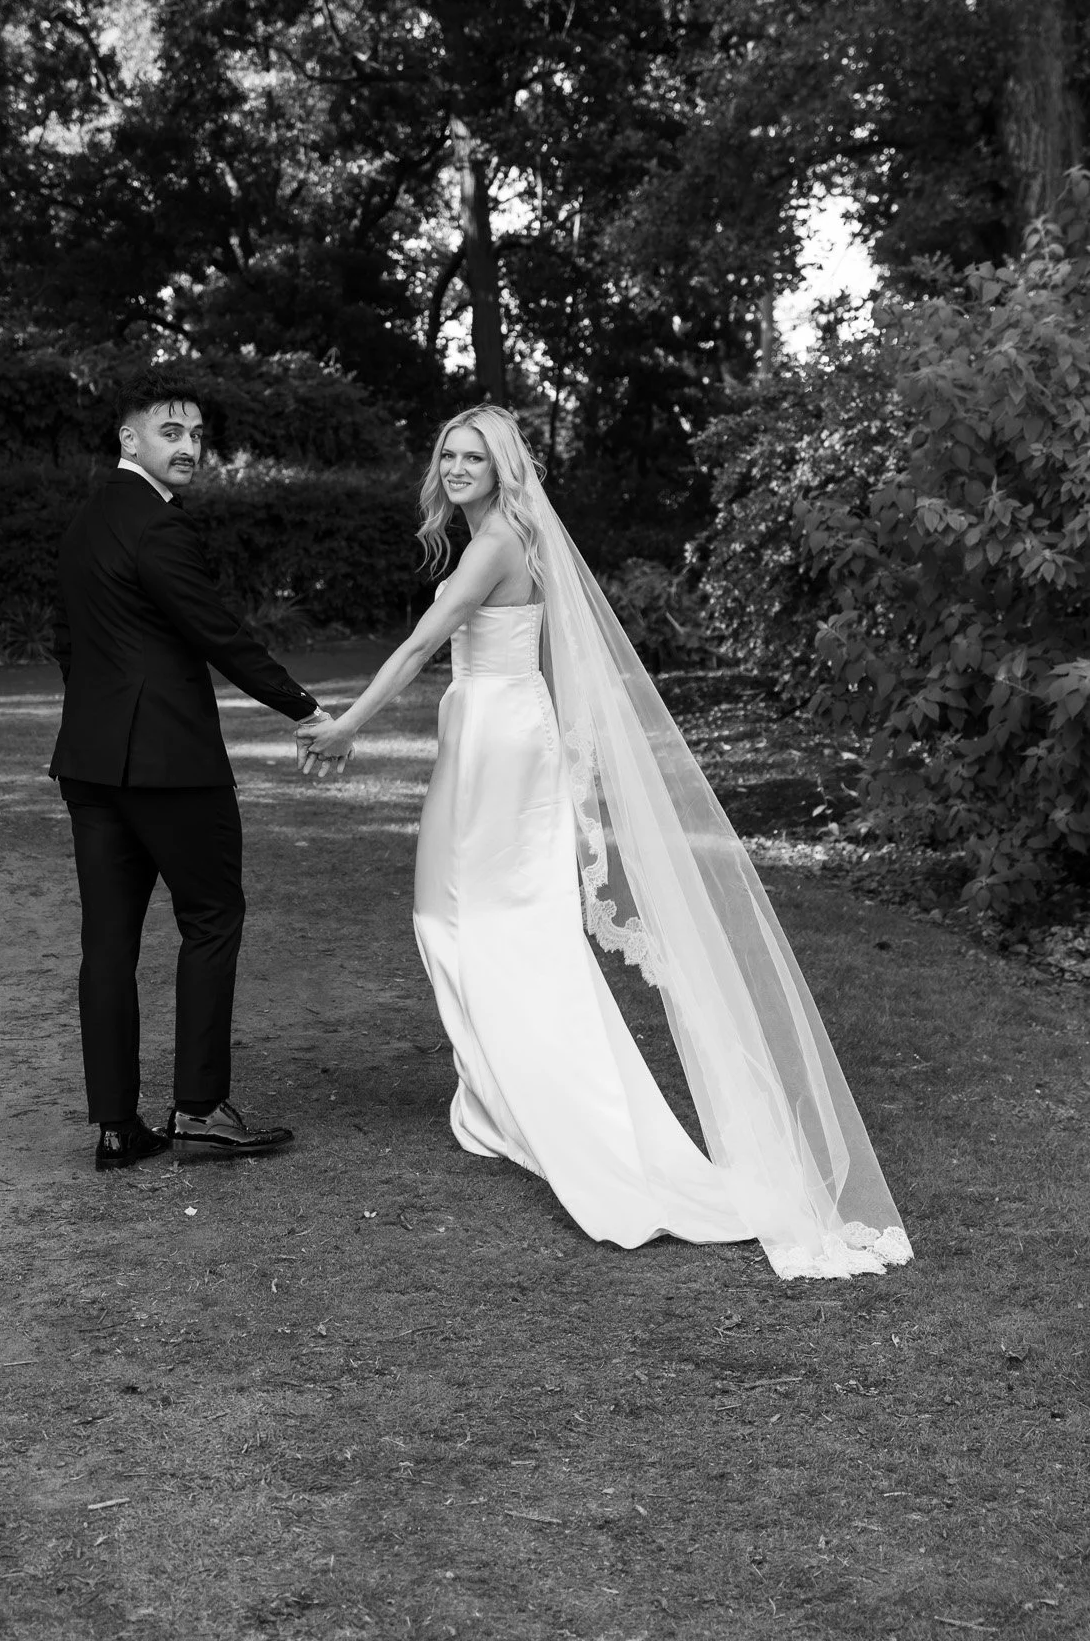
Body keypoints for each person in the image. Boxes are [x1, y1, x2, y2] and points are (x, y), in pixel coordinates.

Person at [297, 406, 913, 1281]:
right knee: (447, 917)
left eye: (478, 455)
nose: (461, 465)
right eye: (450, 453)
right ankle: (497, 1099)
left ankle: (557, 1112)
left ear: (507, 469)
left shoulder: (497, 543)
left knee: (500, 926)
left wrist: (349, 726)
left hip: (501, 741)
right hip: (485, 731)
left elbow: (422, 643)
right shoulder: (493, 538)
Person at [50, 372, 329, 1172]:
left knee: (107, 945)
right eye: (171, 432)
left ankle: (116, 1128)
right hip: (171, 766)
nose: (189, 447)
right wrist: (304, 708)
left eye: (197, 435)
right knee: (211, 918)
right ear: (129, 440)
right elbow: (220, 635)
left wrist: (108, 717)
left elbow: (65, 642)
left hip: (92, 764)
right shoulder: (160, 530)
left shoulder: (83, 524)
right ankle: (200, 1110)